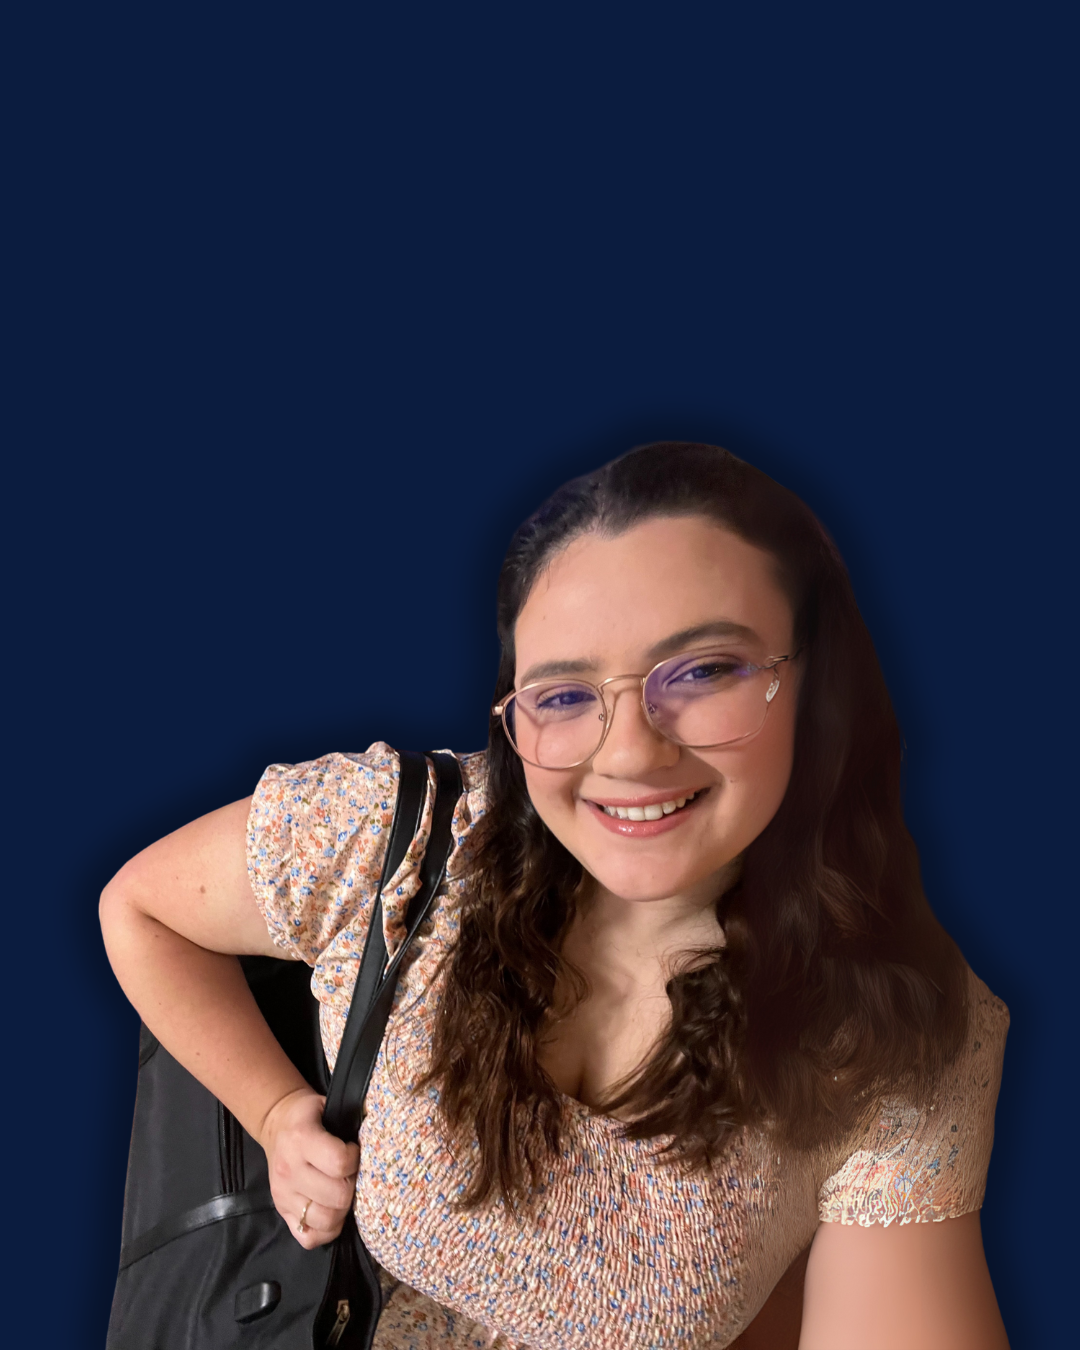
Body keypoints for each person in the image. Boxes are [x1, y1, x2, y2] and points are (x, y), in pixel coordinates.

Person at [100, 442, 1011, 1349]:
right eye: (567, 693)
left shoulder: (896, 1029)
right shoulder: (404, 843)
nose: (627, 753)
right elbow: (139, 910)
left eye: (701, 672)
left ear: (818, 685)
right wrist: (273, 1110)